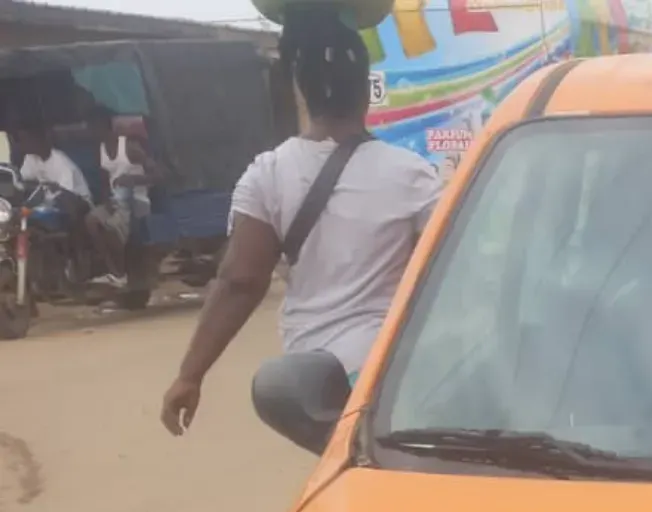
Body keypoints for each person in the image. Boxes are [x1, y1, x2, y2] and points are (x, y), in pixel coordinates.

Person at [160, 7, 441, 436]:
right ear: (366, 90)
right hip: (388, 377)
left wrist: (189, 375)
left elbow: (240, 282)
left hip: (310, 387)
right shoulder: (411, 175)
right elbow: (441, 278)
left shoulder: (268, 174)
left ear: (302, 89)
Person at [86, 106, 155, 288]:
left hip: (137, 201)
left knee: (111, 228)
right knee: (92, 222)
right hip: (116, 202)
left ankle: (120, 274)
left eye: (93, 127)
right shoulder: (100, 149)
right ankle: (115, 271)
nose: (90, 131)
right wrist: (106, 201)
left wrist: (133, 179)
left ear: (105, 127)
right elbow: (104, 183)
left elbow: (159, 174)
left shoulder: (129, 147)